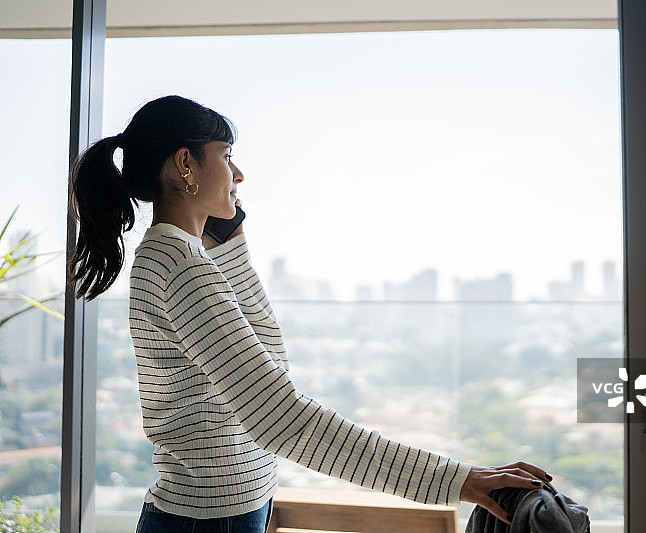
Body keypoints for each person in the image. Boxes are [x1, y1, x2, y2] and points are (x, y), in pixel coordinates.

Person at [68, 95, 552, 532]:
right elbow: (283, 418)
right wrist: (461, 481)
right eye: (227, 156)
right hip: (205, 522)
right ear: (185, 164)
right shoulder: (178, 266)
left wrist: (232, 243)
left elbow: (267, 348)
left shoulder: (188, 257)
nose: (238, 175)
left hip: (227, 513)